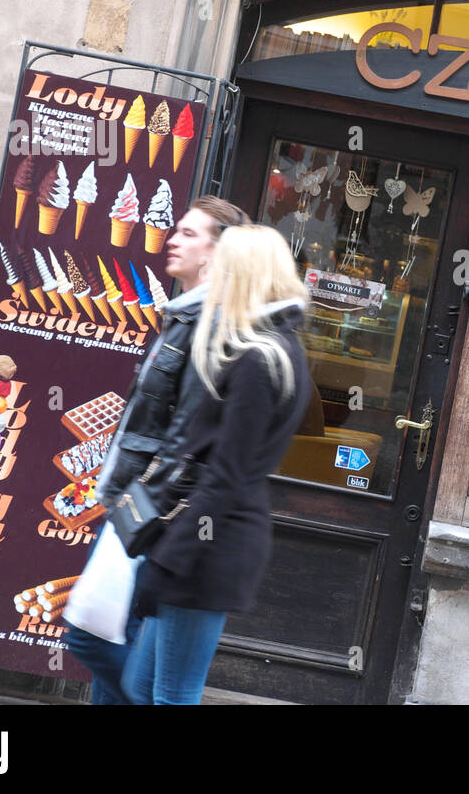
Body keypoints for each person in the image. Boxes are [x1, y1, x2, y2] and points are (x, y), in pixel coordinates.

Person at [64, 195, 250, 705]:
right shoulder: (186, 317)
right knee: (108, 643)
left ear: (217, 254)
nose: (173, 239)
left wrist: (150, 510)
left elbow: (188, 436)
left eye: (190, 234)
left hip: (149, 511)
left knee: (97, 643)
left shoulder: (211, 326)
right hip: (132, 502)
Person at [120, 224, 312, 705]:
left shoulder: (259, 359)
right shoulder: (266, 347)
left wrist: (174, 556)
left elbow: (227, 474)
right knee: (141, 687)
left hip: (209, 545)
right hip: (200, 537)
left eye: (222, 266)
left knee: (171, 695)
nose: (213, 274)